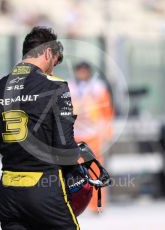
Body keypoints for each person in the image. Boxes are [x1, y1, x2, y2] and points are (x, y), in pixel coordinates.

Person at [0, 27, 82, 230]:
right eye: (55, 62)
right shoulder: (55, 86)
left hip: (8, 194)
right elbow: (66, 149)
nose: (53, 69)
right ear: (47, 53)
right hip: (44, 191)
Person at [69, 61, 114, 213]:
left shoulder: (98, 87)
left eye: (84, 71)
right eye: (79, 70)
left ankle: (96, 205)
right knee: (72, 172)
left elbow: (107, 111)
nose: (82, 73)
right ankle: (74, 204)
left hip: (93, 135)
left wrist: (107, 132)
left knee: (94, 170)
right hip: (74, 134)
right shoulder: (70, 86)